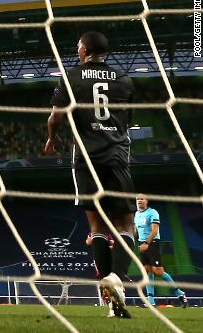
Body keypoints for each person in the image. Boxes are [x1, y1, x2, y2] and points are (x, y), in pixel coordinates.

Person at [45, 31, 135, 319]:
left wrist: (51, 138)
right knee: (126, 224)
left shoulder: (70, 78)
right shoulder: (124, 79)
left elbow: (55, 117)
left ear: (84, 50)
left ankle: (110, 291)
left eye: (78, 47)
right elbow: (127, 120)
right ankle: (117, 280)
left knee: (96, 227)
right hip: (117, 155)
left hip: (85, 157)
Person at [134, 194, 188, 308]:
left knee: (158, 271)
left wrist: (146, 243)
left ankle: (180, 293)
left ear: (147, 201)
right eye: (137, 199)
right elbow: (135, 230)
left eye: (142, 198)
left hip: (152, 243)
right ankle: (150, 301)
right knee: (147, 271)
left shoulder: (153, 212)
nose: (139, 200)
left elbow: (154, 230)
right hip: (142, 244)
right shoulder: (136, 214)